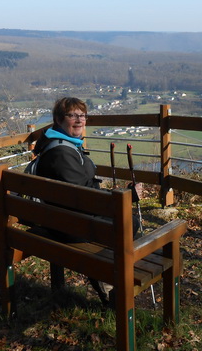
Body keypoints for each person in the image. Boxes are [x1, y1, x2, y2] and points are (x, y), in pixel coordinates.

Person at [32, 96, 139, 304]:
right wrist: (128, 195)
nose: (79, 120)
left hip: (61, 216)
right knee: (129, 223)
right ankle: (107, 281)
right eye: (72, 115)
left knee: (122, 221)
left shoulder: (59, 145)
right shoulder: (61, 153)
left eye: (82, 115)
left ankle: (106, 277)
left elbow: (82, 194)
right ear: (59, 119)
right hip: (69, 226)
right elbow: (86, 199)